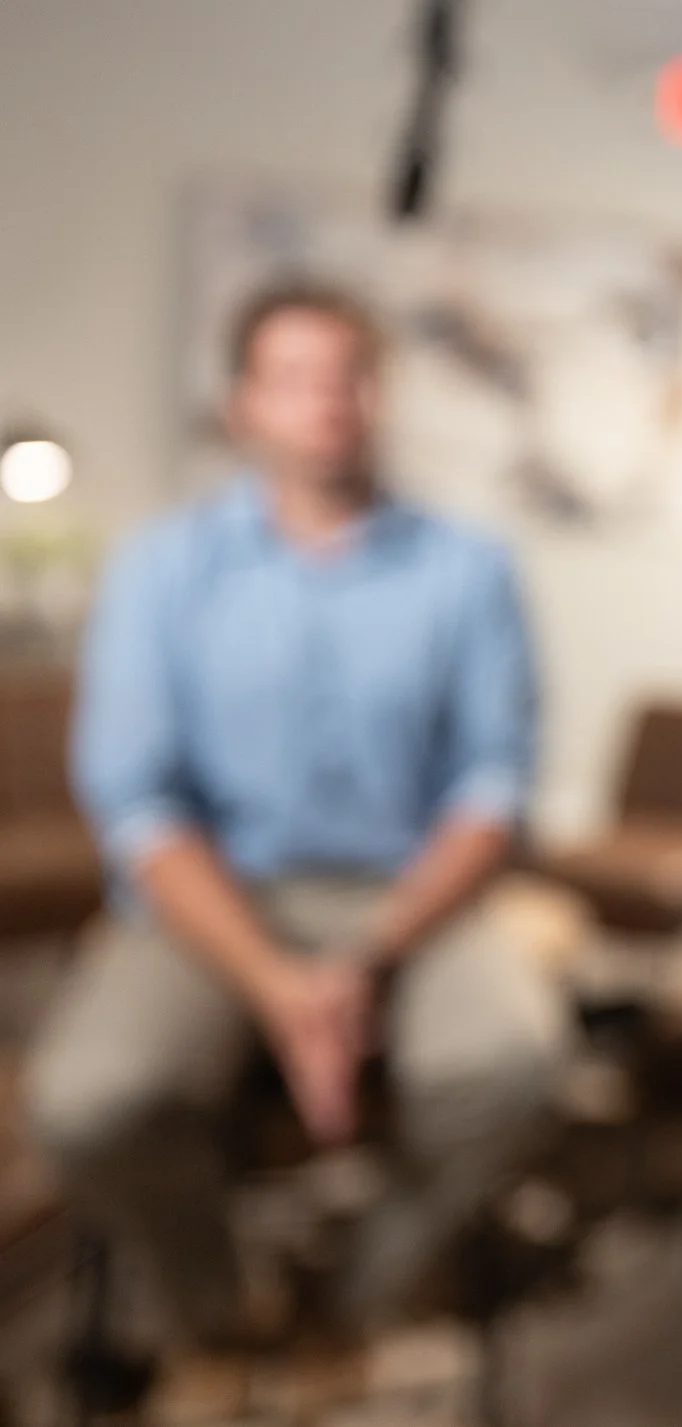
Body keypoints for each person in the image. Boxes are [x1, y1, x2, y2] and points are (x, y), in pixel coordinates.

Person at [25, 283, 568, 1356]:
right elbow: (138, 801)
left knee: (515, 1063)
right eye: (295, 377)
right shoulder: (162, 567)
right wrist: (280, 987)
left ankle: (355, 1292)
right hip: (217, 892)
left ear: (382, 394)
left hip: (408, 892)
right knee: (87, 1100)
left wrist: (365, 960)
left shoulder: (469, 567)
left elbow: (491, 788)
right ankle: (221, 1305)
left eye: (352, 374)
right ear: (244, 406)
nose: (330, 400)